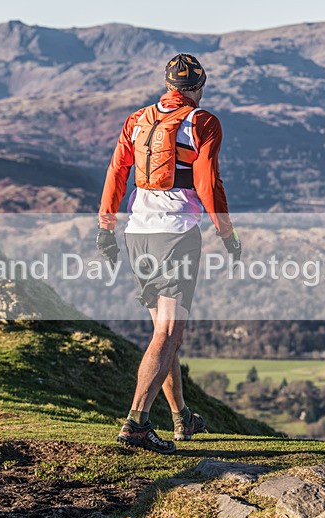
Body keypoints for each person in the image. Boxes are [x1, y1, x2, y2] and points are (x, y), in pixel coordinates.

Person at [97, 53, 241, 453]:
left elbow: (116, 172)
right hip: (175, 235)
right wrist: (226, 233)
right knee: (168, 334)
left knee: (164, 333)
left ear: (168, 84)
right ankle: (136, 424)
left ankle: (181, 418)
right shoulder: (203, 122)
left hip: (137, 234)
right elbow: (208, 181)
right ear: (199, 86)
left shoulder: (137, 119)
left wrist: (105, 227)